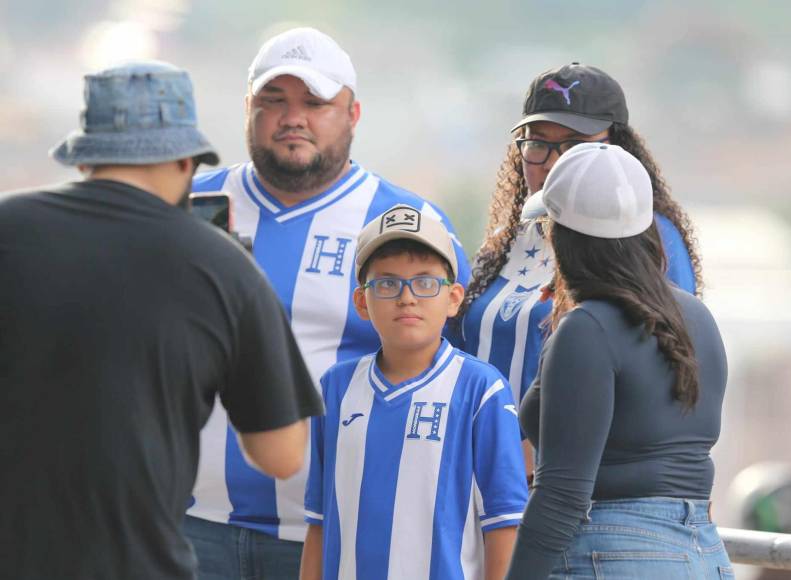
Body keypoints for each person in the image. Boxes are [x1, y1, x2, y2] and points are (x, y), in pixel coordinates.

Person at [0, 61, 322, 580]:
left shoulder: (8, 227)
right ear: (185, 161)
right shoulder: (225, 268)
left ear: (86, 157)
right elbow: (281, 455)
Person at [185, 28, 471, 579]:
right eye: (274, 100)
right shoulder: (192, 205)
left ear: (352, 114)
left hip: (335, 533)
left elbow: (451, 375)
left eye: (315, 103)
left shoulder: (409, 224)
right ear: (248, 109)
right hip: (189, 524)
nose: (293, 118)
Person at [505, 143, 731, 579]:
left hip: (614, 553)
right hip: (704, 555)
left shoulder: (588, 330)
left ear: (563, 239)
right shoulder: (697, 317)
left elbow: (561, 497)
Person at [456, 64, 701, 451]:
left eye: (575, 145)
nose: (552, 162)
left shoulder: (649, 237)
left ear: (618, 148)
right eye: (537, 143)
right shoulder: (504, 242)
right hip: (477, 470)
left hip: (571, 474)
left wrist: (538, 457)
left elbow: (664, 369)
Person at [300, 205, 528, 580]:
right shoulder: (336, 388)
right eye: (387, 284)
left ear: (453, 298)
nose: (406, 297)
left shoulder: (481, 390)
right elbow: (319, 522)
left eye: (425, 282)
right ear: (361, 302)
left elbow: (504, 524)